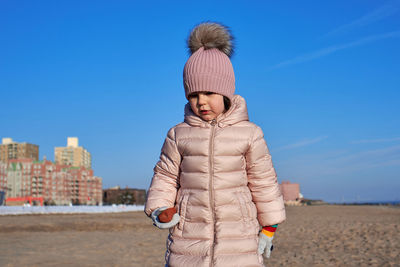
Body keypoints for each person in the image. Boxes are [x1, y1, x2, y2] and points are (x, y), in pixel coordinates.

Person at [145, 22, 286, 267]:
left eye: (209, 93)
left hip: (239, 238)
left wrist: (269, 226)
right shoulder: (178, 134)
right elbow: (166, 176)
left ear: (226, 93)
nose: (201, 102)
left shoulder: (249, 134)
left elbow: (263, 180)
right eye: (194, 95)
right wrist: (160, 208)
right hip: (189, 239)